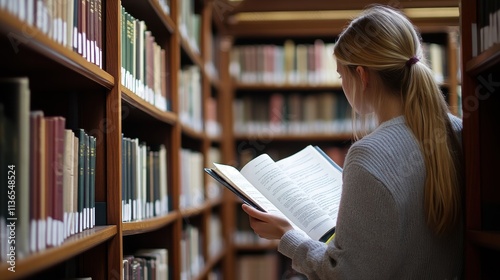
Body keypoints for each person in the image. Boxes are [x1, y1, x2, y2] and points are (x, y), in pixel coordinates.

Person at [241, 4, 464, 280]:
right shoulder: (459, 132)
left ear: (361, 75)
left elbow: (346, 274)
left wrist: (287, 236)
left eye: (341, 75)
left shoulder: (369, 154)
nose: (342, 83)